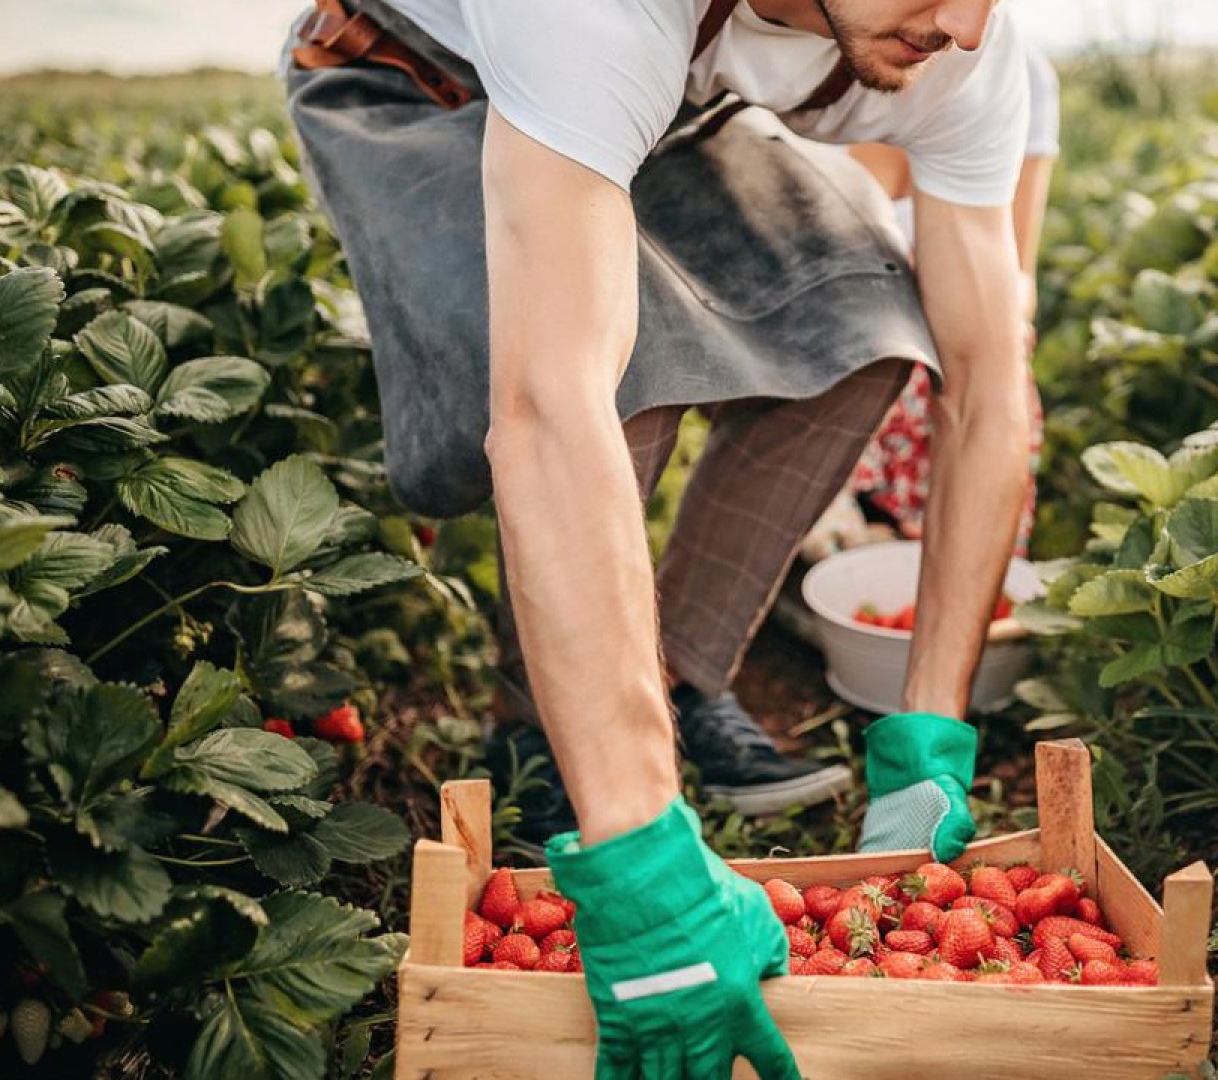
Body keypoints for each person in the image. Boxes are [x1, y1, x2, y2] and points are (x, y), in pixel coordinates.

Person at [278, 1, 1031, 1076]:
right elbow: (549, 404)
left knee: (866, 324)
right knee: (608, 360)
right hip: (413, 80)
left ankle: (669, 686)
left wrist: (934, 723)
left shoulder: (956, 46)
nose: (963, 23)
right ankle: (553, 735)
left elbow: (991, 383)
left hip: (659, 102)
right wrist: (643, 866)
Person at [807, 38, 1057, 561]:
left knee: (995, 367)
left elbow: (1020, 278)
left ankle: (952, 546)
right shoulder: (814, 70)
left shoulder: (1018, 72)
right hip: (825, 357)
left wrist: (976, 314)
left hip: (941, 364)